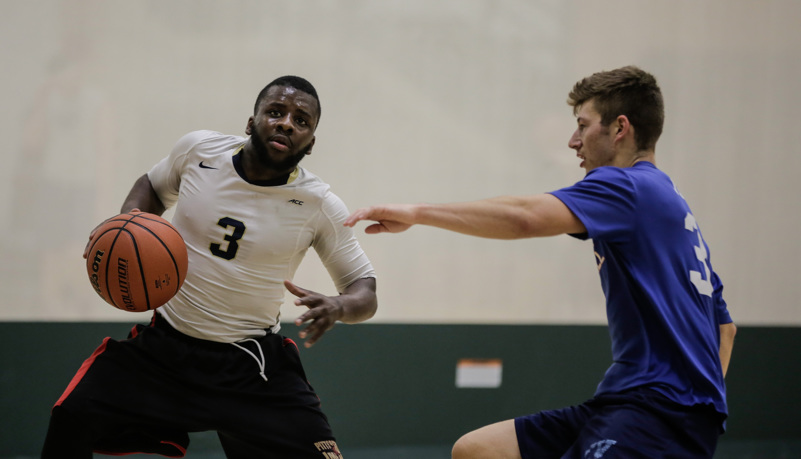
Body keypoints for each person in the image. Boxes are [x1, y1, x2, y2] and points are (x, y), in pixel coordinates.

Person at [344, 66, 735, 459]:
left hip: (656, 411)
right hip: (641, 404)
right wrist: (702, 407)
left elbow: (524, 217)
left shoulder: (628, 186)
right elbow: (726, 329)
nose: (573, 141)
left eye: (583, 126)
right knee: (477, 450)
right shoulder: (673, 209)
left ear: (619, 129)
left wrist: (416, 212)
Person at [42, 75, 377, 458]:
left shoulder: (319, 204)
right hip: (165, 352)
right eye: (275, 112)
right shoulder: (199, 151)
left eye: (301, 121)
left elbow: (364, 291)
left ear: (311, 143)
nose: (286, 123)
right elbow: (151, 185)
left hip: (252, 369)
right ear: (251, 122)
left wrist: (338, 306)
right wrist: (126, 225)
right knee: (72, 416)